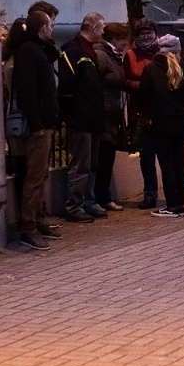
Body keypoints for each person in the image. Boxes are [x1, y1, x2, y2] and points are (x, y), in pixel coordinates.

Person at [135, 35, 184, 217]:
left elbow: (142, 98)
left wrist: (150, 110)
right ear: (177, 50)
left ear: (159, 50)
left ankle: (171, 206)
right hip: (181, 123)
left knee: (166, 164)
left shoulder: (151, 69)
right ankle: (180, 204)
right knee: (179, 163)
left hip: (161, 125)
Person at [13, 9, 60, 247]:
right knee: (34, 176)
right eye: (50, 26)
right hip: (39, 124)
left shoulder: (38, 49)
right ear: (42, 28)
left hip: (45, 121)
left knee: (41, 175)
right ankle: (28, 226)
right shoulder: (29, 52)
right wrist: (38, 124)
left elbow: (54, 55)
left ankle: (37, 219)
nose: (52, 29)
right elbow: (28, 91)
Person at [59, 12, 109, 221]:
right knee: (81, 164)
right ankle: (74, 205)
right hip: (81, 118)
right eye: (102, 27)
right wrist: (71, 113)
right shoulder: (74, 52)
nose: (104, 31)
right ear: (94, 28)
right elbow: (67, 86)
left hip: (93, 116)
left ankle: (89, 201)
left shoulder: (88, 52)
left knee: (92, 163)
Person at [124, 19, 165, 208]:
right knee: (146, 157)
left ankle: (171, 190)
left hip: (162, 113)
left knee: (166, 155)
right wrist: (145, 87)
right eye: (141, 33)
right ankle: (150, 193)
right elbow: (125, 81)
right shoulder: (130, 55)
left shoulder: (163, 52)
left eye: (149, 32)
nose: (146, 36)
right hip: (141, 113)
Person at [93, 23, 130, 212]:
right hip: (104, 114)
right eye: (123, 40)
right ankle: (101, 196)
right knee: (103, 157)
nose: (126, 44)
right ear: (115, 39)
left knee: (107, 157)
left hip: (111, 114)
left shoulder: (112, 56)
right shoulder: (102, 56)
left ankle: (103, 196)